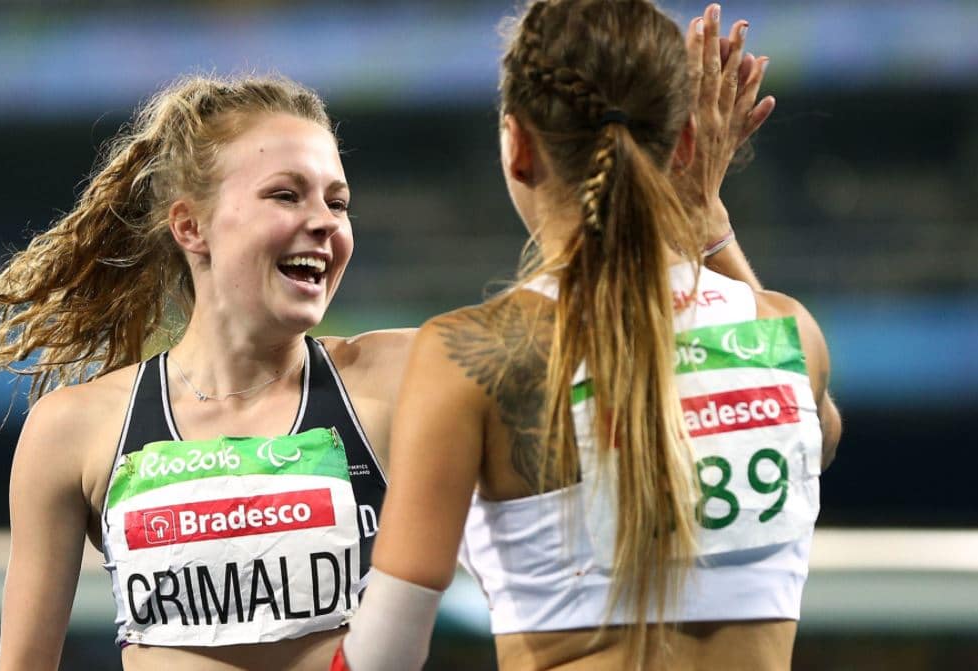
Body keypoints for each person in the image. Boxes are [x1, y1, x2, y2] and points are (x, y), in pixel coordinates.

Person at [335, 2, 841, 670]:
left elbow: (384, 651)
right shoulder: (787, 332)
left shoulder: (470, 356)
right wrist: (707, 224)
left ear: (517, 146)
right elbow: (819, 437)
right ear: (685, 143)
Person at [0, 74, 412, 671]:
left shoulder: (396, 377)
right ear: (191, 226)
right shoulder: (75, 430)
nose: (325, 222)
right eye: (287, 195)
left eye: (337, 202)